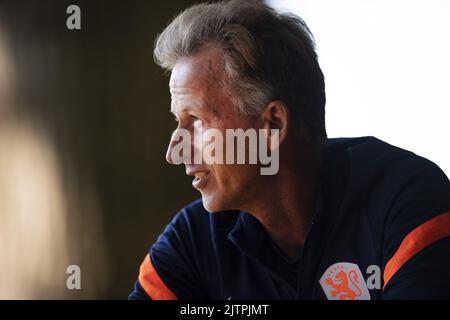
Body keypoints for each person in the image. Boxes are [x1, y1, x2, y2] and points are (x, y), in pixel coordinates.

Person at [129, 0, 450, 300]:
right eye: (178, 122)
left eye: (196, 120)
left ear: (273, 125)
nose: (175, 151)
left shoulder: (406, 199)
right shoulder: (191, 241)